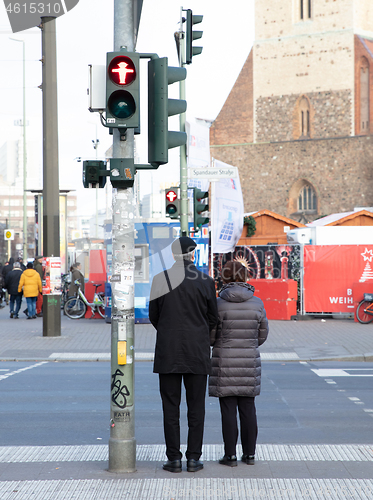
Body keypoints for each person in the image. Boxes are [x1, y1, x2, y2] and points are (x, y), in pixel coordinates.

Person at [149, 236, 218, 474]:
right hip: (197, 353)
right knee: (196, 408)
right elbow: (213, 318)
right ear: (192, 255)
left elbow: (153, 316)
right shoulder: (206, 281)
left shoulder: (160, 279)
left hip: (168, 353)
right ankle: (194, 459)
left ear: (173, 255)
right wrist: (199, 334)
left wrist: (169, 332)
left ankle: (174, 459)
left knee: (171, 408)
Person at [209, 260, 269, 467]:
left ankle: (230, 456)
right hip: (248, 361)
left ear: (223, 277)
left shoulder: (218, 304)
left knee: (228, 411)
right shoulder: (257, 303)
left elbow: (211, 337)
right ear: (245, 277)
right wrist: (248, 344)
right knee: (248, 409)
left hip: (224, 362)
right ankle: (250, 455)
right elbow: (262, 335)